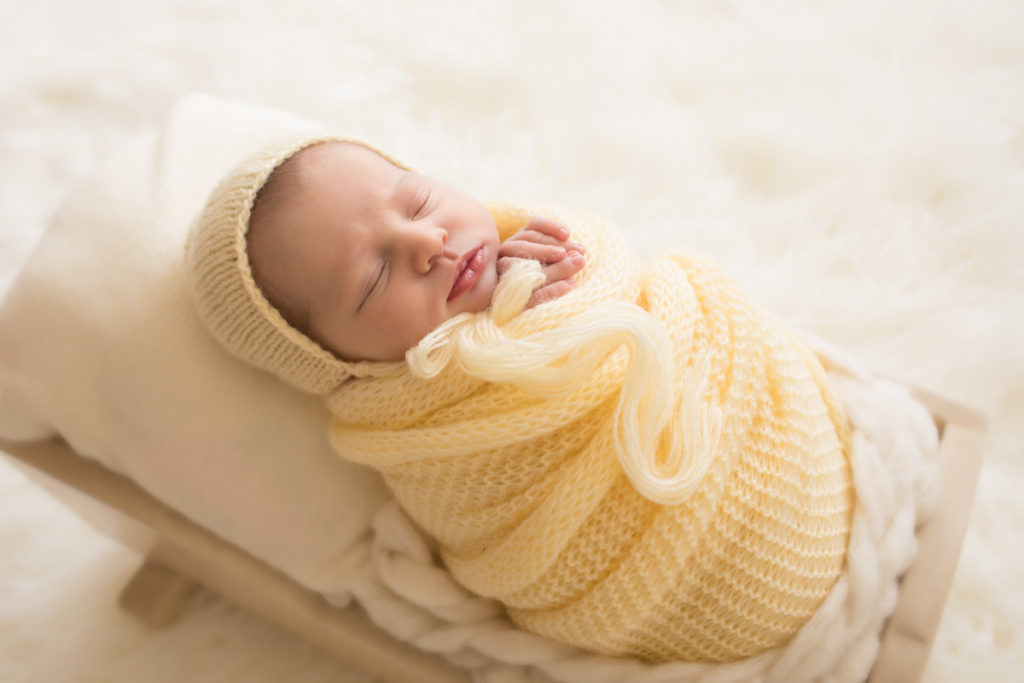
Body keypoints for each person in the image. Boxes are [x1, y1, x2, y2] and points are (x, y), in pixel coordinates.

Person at [187, 132, 854, 664]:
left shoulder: (529, 245)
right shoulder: (420, 429)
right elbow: (482, 497)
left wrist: (573, 281)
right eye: (375, 276)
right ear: (337, 361)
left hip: (767, 450)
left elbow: (628, 290)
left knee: (690, 280)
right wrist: (527, 339)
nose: (427, 242)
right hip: (686, 583)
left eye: (417, 201)